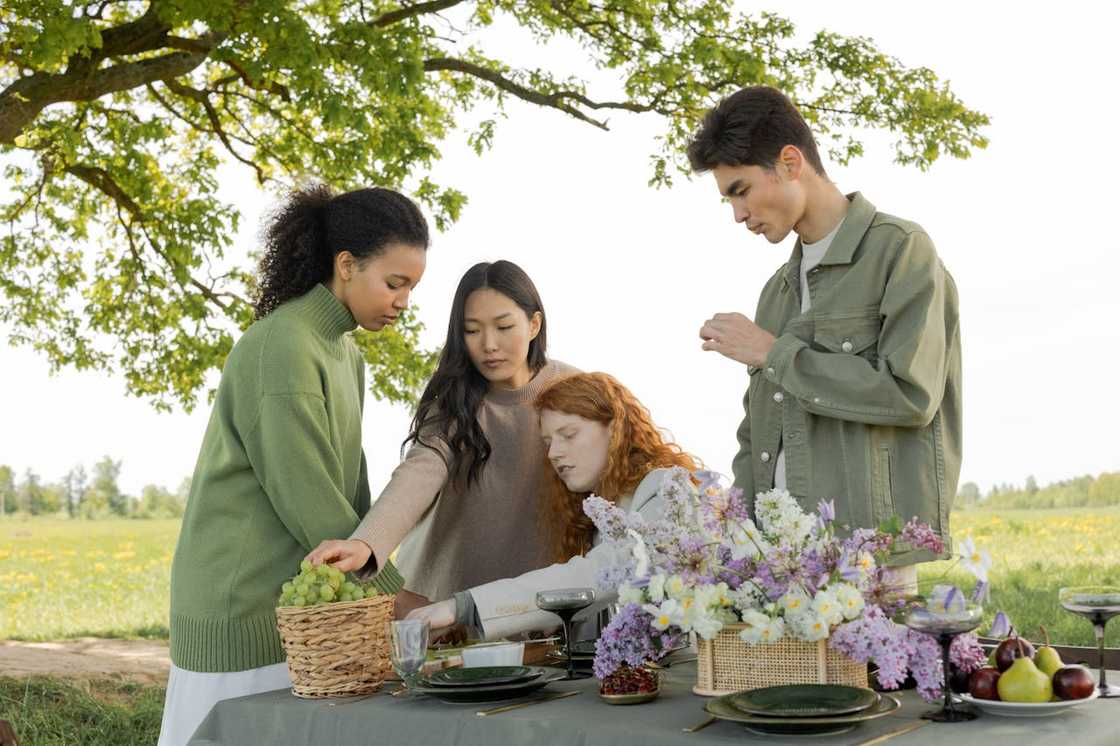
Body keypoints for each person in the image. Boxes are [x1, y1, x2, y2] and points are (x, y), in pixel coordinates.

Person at [158, 184, 427, 746]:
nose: (403, 301)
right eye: (394, 283)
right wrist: (397, 594)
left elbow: (353, 495)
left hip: (305, 612)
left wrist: (376, 577)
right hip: (243, 604)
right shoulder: (282, 343)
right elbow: (307, 497)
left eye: (411, 287)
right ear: (346, 265)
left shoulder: (345, 353)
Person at [689, 85, 961, 580]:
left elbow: (911, 394)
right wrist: (740, 541)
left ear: (790, 163)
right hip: (780, 566)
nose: (737, 214)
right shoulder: (776, 292)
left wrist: (774, 352)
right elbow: (757, 435)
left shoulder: (901, 251)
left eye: (741, 190)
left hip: (869, 561)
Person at [305, 261, 577, 610]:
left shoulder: (574, 392)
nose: (489, 344)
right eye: (472, 330)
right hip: (439, 604)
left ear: (534, 324)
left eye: (504, 326)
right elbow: (418, 473)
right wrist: (366, 543)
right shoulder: (455, 399)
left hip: (540, 607)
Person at [406, 371, 699, 640]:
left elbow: (604, 572)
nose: (554, 453)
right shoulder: (596, 516)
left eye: (568, 435)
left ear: (614, 428)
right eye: (548, 442)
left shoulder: (666, 489)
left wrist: (466, 607)